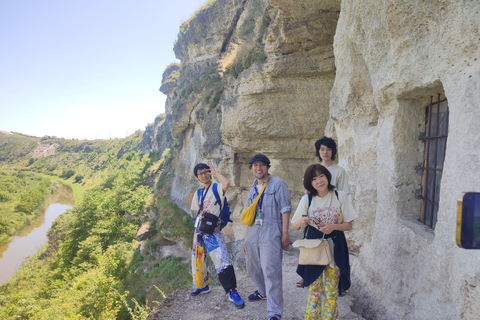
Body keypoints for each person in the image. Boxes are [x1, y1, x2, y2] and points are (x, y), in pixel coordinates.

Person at [291, 164, 358, 320]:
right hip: (314, 251)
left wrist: (333, 226)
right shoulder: (307, 199)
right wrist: (302, 221)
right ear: (309, 183)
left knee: (331, 292)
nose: (319, 181)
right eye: (314, 179)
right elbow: (294, 225)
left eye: (321, 176)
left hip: (335, 248)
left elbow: (349, 225)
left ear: (327, 176)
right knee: (314, 292)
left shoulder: (339, 196)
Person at [243, 154, 291, 320]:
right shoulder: (252, 190)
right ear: (251, 169)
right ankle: (263, 291)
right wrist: (245, 239)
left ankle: (274, 312)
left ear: (267, 167)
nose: (258, 168)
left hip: (271, 230)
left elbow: (285, 209)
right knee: (252, 268)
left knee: (271, 270)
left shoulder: (278, 184)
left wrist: (284, 233)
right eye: (255, 165)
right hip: (253, 231)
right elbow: (249, 217)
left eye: (261, 165)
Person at [190, 162, 244, 309]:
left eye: (205, 172)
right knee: (198, 259)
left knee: (222, 261)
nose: (204, 175)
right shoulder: (198, 193)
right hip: (200, 230)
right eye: (200, 174)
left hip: (212, 232)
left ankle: (232, 291)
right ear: (197, 177)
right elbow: (198, 211)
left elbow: (226, 183)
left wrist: (215, 172)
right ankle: (202, 286)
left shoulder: (217, 188)